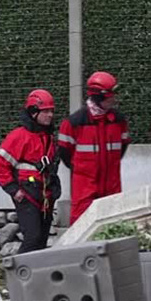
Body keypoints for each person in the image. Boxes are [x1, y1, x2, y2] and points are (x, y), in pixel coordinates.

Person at [0, 89, 61, 253]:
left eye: (51, 111)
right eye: (46, 111)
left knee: (41, 241)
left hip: (44, 195)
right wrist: (14, 190)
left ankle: (36, 276)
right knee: (32, 239)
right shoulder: (18, 137)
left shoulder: (48, 138)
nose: (50, 115)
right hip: (27, 195)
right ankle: (18, 274)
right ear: (33, 112)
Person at [57, 71, 131, 225]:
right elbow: (65, 154)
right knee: (81, 229)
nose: (114, 99)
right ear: (99, 96)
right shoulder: (74, 123)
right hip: (85, 190)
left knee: (113, 229)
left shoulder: (118, 120)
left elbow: (122, 147)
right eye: (110, 95)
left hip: (112, 187)